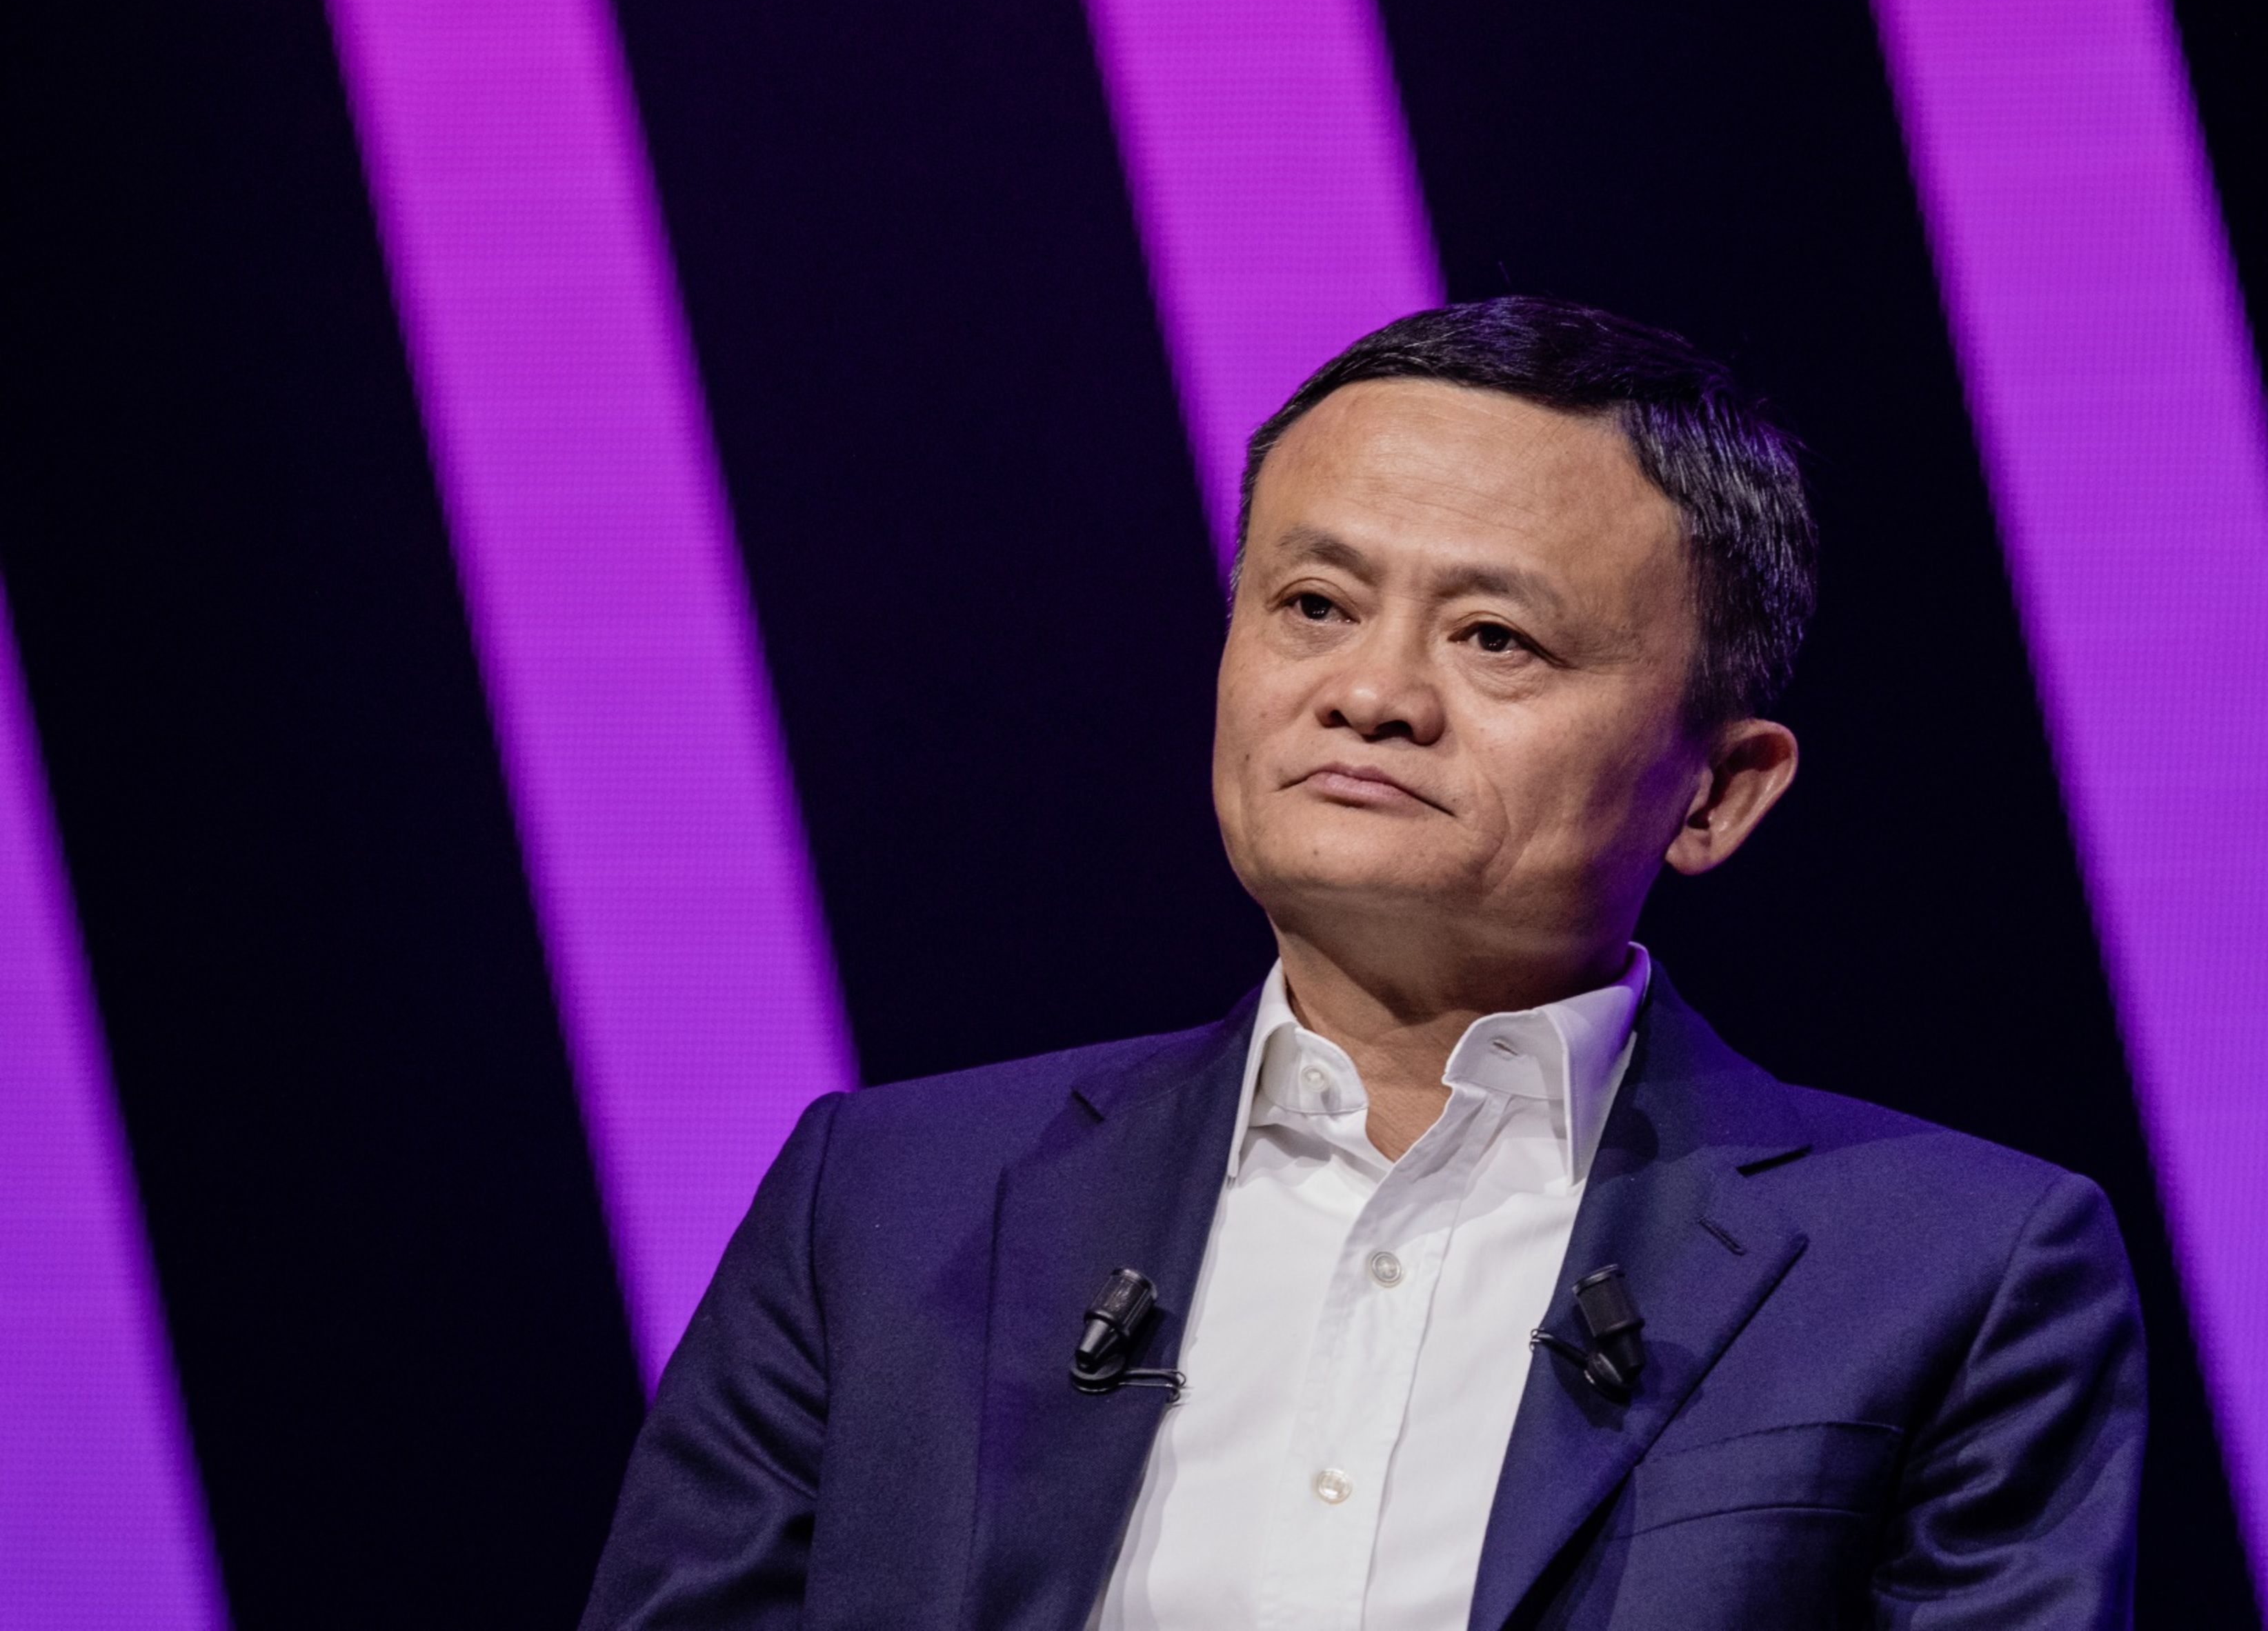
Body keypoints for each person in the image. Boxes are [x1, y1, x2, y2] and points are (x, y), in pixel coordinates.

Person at [579, 298, 2145, 1630]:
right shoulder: (884, 1203)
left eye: (1495, 638)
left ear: (1718, 791)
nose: (1372, 692)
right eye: (1314, 605)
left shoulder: (1955, 1268)